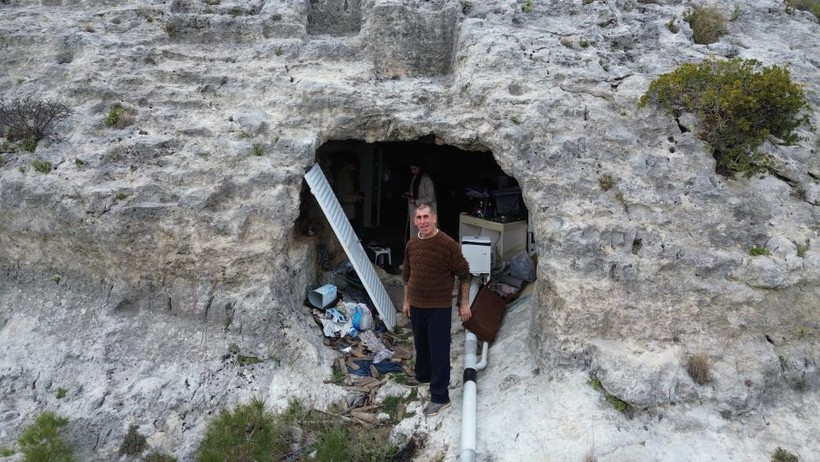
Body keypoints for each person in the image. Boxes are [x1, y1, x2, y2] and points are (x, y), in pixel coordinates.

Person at [402, 202, 472, 416]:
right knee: (420, 343)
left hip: (438, 307)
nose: (423, 221)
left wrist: (464, 303)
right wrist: (406, 301)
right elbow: (407, 275)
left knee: (439, 350)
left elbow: (465, 274)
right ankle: (422, 375)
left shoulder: (447, 244)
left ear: (434, 218)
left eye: (426, 217)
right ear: (415, 221)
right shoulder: (412, 245)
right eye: (419, 218)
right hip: (416, 304)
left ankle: (440, 396)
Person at [403, 159, 436, 242]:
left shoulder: (427, 179)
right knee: (415, 232)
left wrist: (416, 201)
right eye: (411, 169)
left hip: (426, 210)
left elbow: (431, 197)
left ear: (420, 168)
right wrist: (409, 194)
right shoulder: (415, 178)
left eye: (415, 169)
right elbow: (416, 191)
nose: (412, 171)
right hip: (416, 209)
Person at [334, 156, 364, 231]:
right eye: (352, 166)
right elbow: (340, 196)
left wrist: (355, 194)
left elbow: (348, 190)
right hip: (346, 212)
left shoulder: (347, 174)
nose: (353, 169)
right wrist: (355, 197)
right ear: (346, 163)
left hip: (350, 211)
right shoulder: (341, 176)